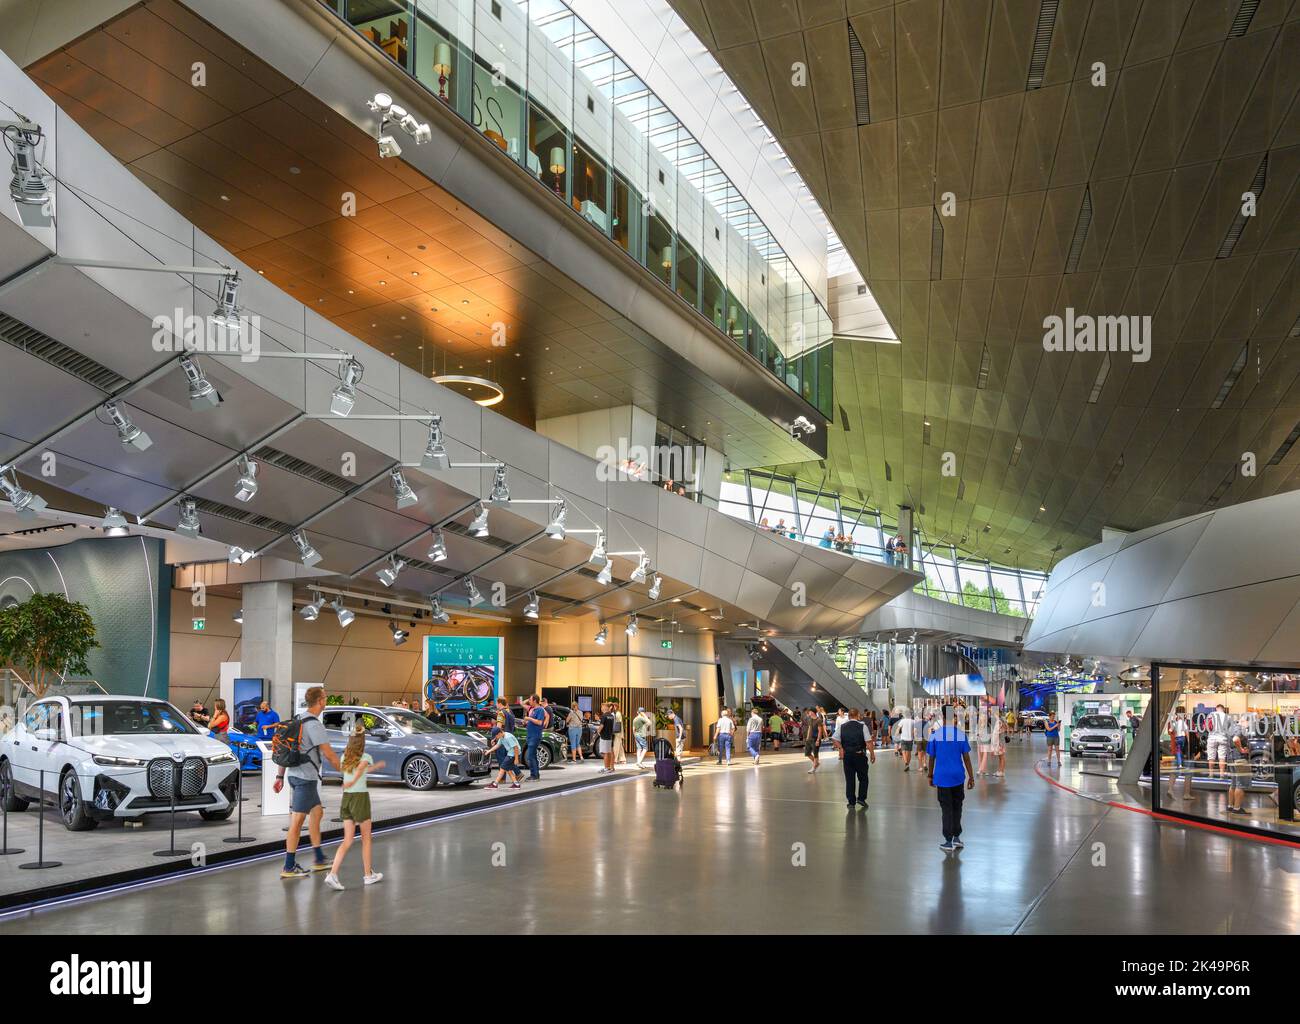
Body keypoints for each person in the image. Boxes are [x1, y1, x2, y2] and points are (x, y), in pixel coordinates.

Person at [274, 686, 342, 879]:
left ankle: (319, 858)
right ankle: (288, 866)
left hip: (296, 776)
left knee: (317, 812)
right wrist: (345, 773)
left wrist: (280, 776)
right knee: (296, 821)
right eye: (325, 698)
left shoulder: (298, 719)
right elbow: (328, 753)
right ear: (320, 700)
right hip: (305, 779)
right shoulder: (314, 725)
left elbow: (287, 748)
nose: (326, 701)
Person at [323, 723, 385, 891]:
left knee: (348, 839)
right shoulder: (365, 757)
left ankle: (333, 874)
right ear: (362, 742)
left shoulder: (345, 758)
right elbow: (360, 771)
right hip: (360, 798)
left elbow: (361, 770)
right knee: (366, 838)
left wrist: (376, 767)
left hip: (347, 799)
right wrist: (352, 781)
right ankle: (367, 875)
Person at [928, 707, 975, 851]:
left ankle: (948, 841)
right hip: (958, 777)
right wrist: (971, 777)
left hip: (942, 777)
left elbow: (931, 758)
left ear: (942, 716)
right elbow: (966, 758)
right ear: (954, 716)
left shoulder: (935, 735)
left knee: (946, 809)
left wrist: (930, 775)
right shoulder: (960, 735)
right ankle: (957, 837)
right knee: (957, 806)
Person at [833, 708, 875, 809]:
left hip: (847, 757)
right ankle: (861, 798)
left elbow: (834, 738)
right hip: (859, 755)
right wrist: (872, 754)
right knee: (863, 778)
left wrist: (841, 748)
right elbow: (868, 742)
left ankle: (851, 802)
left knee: (849, 779)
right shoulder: (862, 726)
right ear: (858, 715)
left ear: (849, 716)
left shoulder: (842, 727)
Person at [484, 725, 525, 790]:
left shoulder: (508, 737)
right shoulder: (502, 737)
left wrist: (516, 759)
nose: (496, 738)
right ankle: (516, 784)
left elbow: (516, 747)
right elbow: (498, 745)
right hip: (510, 754)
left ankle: (495, 784)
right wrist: (489, 751)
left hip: (513, 755)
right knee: (508, 770)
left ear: (499, 733)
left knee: (502, 768)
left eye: (496, 736)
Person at [1226, 715, 1251, 816]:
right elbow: (1236, 739)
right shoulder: (1241, 728)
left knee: (1234, 783)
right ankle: (1237, 808)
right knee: (1241, 784)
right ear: (1245, 721)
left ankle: (1230, 806)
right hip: (1239, 758)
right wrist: (1241, 749)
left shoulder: (1231, 728)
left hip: (1231, 757)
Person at [977, 705, 1005, 778]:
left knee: (1001, 757)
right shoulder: (998, 720)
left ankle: (1001, 771)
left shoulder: (999, 721)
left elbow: (997, 734)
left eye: (993, 712)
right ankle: (1000, 771)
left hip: (999, 742)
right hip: (998, 742)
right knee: (1000, 757)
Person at [523, 696, 547, 781]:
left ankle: (534, 775)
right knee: (532, 756)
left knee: (530, 756)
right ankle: (535, 775)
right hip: (530, 735)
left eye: (530, 699)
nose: (529, 701)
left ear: (535, 701)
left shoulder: (540, 710)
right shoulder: (533, 710)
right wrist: (527, 722)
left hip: (535, 736)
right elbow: (522, 703)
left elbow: (539, 722)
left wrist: (529, 718)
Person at [1207, 704, 1231, 779]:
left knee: (1211, 757)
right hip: (1222, 738)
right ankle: (1222, 775)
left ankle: (1211, 774)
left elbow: (1206, 726)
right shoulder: (1228, 717)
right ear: (1223, 709)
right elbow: (1229, 729)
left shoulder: (1211, 715)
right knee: (1222, 757)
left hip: (1212, 738)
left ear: (1216, 708)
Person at [802, 707, 825, 773]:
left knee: (815, 753)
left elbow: (820, 731)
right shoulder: (810, 719)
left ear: (812, 712)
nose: (808, 713)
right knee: (807, 753)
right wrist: (807, 738)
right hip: (809, 739)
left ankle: (814, 767)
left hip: (815, 739)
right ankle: (816, 763)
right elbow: (809, 728)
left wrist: (818, 740)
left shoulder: (819, 720)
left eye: (809, 711)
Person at [598, 702, 617, 774]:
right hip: (609, 736)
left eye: (602, 707)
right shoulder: (611, 716)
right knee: (609, 752)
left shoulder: (604, 716)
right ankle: (609, 767)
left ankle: (606, 768)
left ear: (606, 707)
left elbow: (601, 726)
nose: (601, 708)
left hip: (604, 736)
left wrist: (598, 731)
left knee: (605, 753)